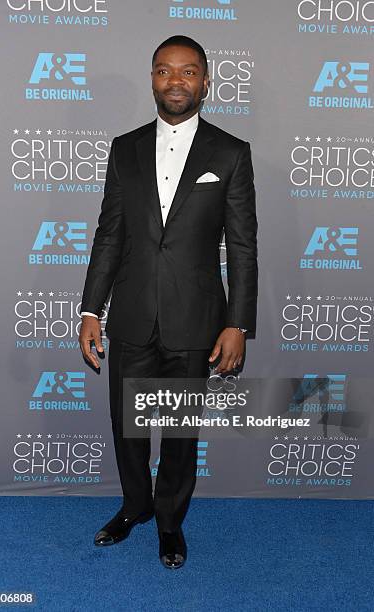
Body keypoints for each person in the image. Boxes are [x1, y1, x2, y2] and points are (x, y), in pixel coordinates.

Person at [79, 35, 258, 569]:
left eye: (187, 71)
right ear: (151, 78)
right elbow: (109, 234)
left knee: (180, 433)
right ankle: (134, 506)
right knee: (127, 427)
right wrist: (91, 310)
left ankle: (170, 522)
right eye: (164, 70)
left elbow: (243, 247)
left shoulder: (230, 152)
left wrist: (238, 325)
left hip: (196, 319)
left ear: (205, 81)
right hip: (132, 315)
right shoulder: (124, 147)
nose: (175, 80)